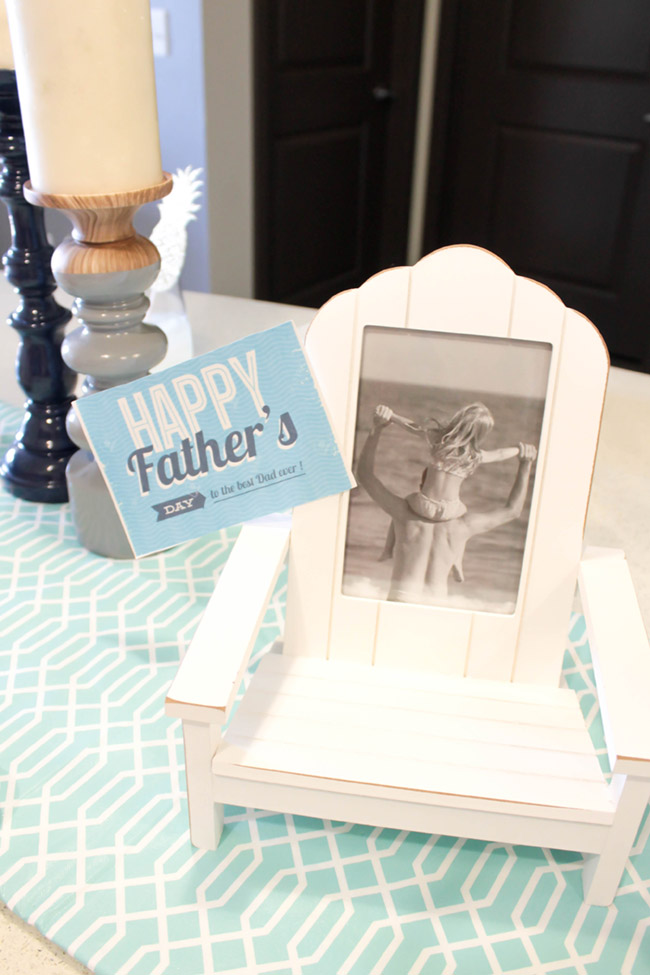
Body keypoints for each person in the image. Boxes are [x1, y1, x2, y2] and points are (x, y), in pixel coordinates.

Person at [355, 405, 537, 603]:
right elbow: (512, 510)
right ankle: (457, 562)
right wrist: (524, 460)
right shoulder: (463, 525)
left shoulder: (403, 512)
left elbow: (365, 475)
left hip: (402, 597)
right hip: (436, 602)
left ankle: (387, 550)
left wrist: (380, 425)